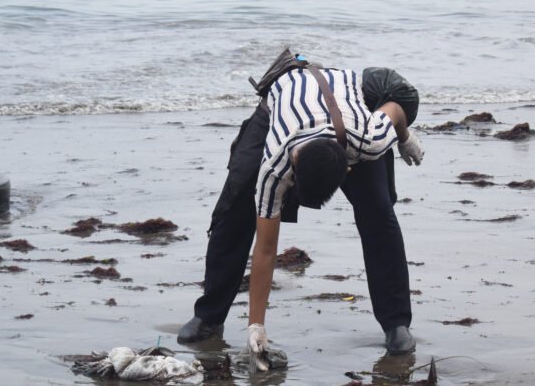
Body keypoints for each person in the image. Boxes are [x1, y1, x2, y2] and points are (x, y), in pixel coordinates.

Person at [177, 49, 422, 361]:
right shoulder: (275, 165)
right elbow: (266, 248)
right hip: (282, 100)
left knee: (379, 215)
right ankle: (209, 316)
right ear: (292, 167)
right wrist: (256, 325)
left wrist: (404, 139)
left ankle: (396, 323)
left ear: (348, 168)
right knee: (235, 208)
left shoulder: (369, 140)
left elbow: (395, 110)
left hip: (346, 105)